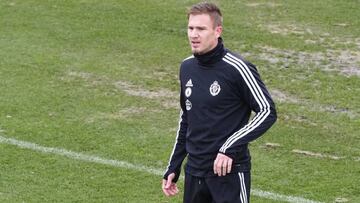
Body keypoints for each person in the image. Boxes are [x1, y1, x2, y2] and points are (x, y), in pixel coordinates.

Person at [162, 2, 277, 203]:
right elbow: (186, 118)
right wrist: (174, 164)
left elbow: (267, 111)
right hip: (194, 173)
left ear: (217, 31)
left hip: (228, 175)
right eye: (190, 28)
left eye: (201, 29)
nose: (193, 35)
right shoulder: (187, 67)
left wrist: (229, 147)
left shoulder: (238, 68)